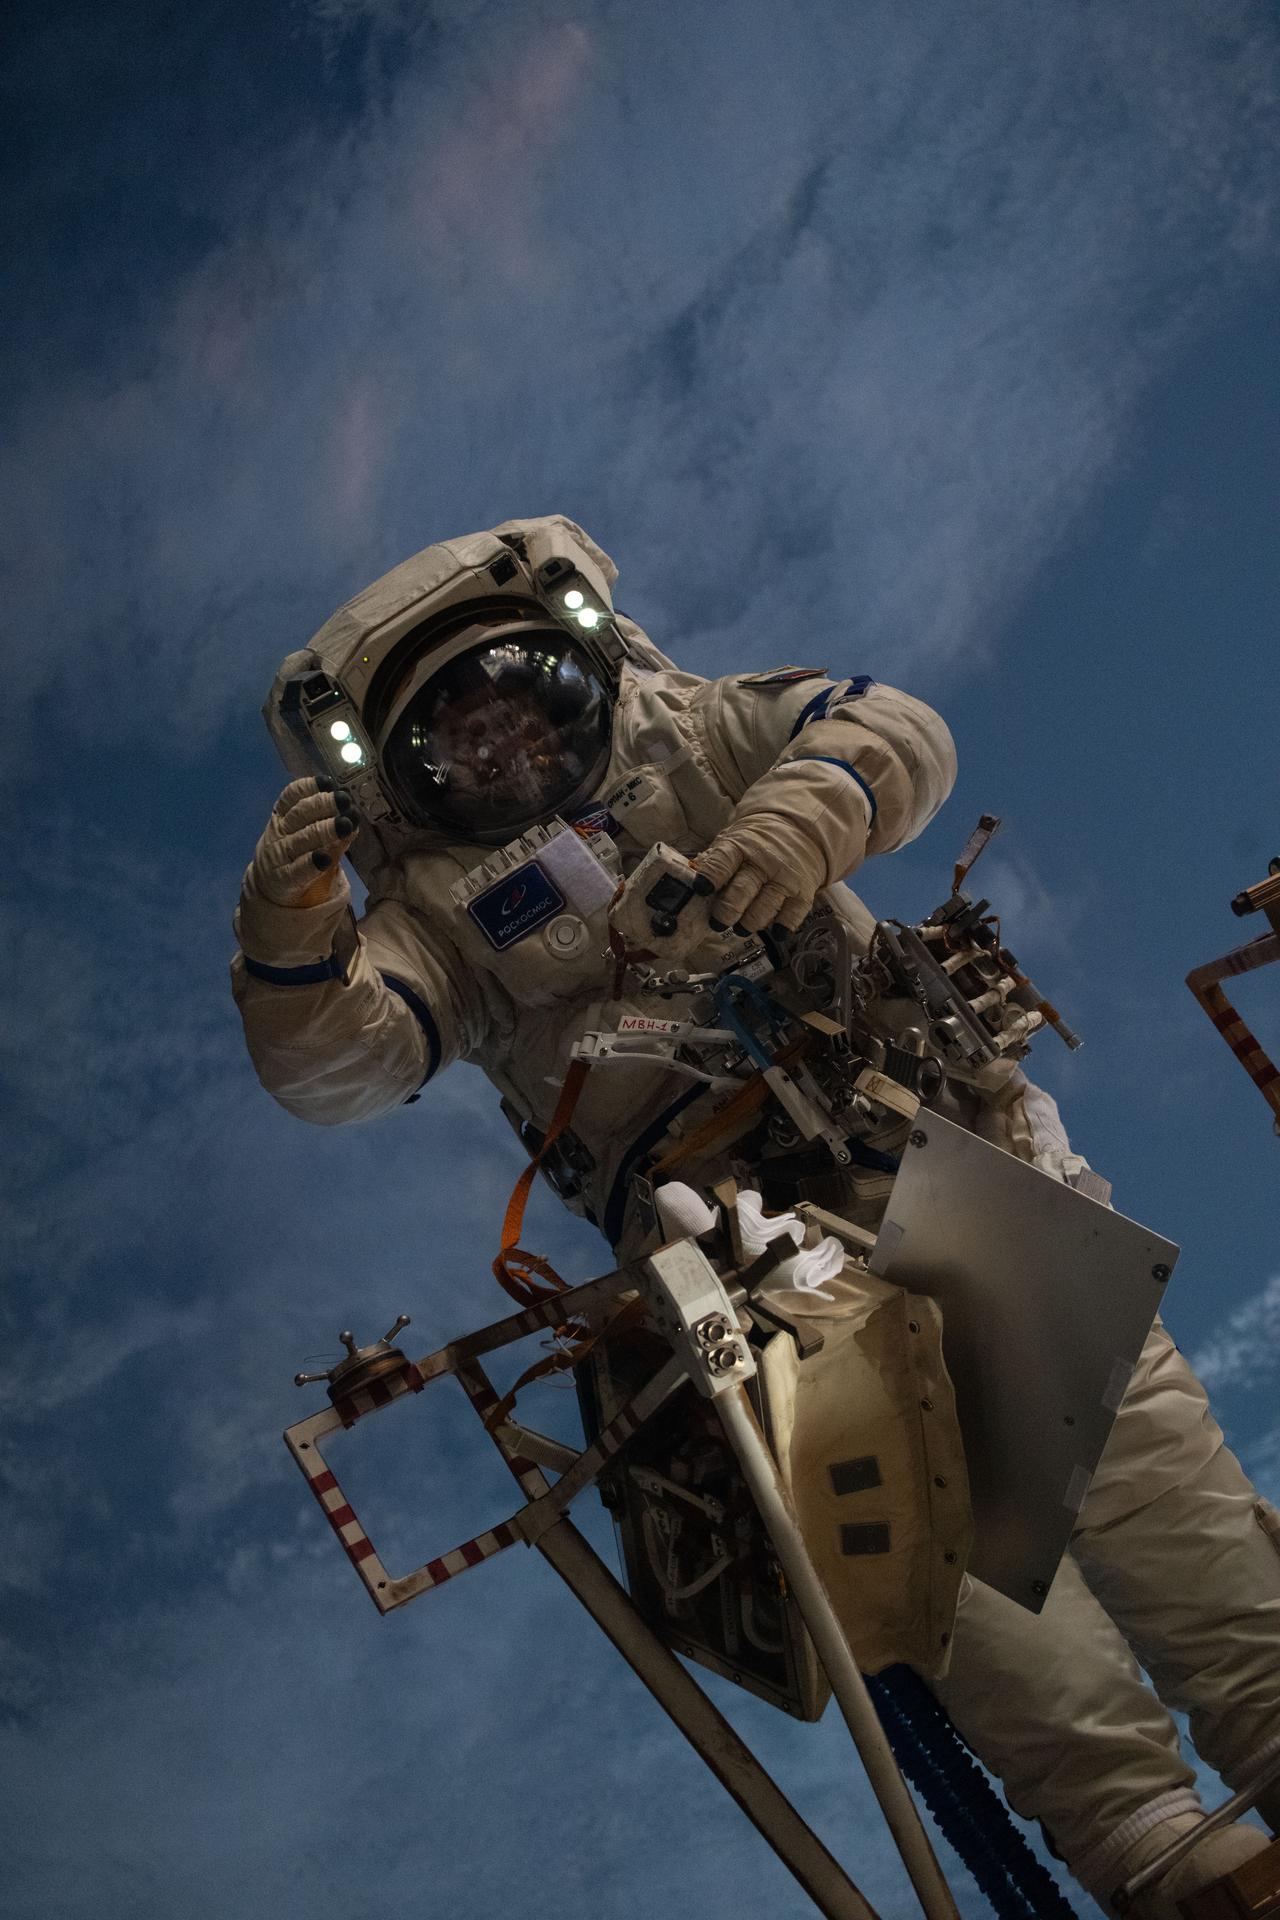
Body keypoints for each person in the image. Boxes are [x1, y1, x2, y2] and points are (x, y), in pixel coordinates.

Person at [231, 514, 1280, 1916]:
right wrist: (291, 938)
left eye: (512, 700)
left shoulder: (695, 733)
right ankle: (1160, 1853)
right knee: (923, 1557)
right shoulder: (432, 923)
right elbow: (337, 1058)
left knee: (1140, 1473)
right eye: (453, 736)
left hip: (911, 1134)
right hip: (738, 1262)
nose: (496, 746)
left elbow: (887, 727)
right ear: (408, 782)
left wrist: (796, 821)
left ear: (573, 671)